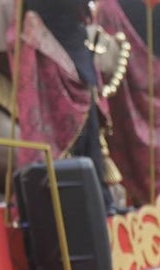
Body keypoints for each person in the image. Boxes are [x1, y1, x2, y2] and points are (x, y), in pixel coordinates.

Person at [96, 0, 160, 207]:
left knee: (125, 147)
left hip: (122, 86)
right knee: (157, 153)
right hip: (156, 79)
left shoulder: (107, 5)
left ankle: (136, 204)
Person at [20, 0, 116, 211]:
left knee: (90, 137)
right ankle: (82, 203)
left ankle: (99, 199)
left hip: (72, 50)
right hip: (52, 53)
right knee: (69, 139)